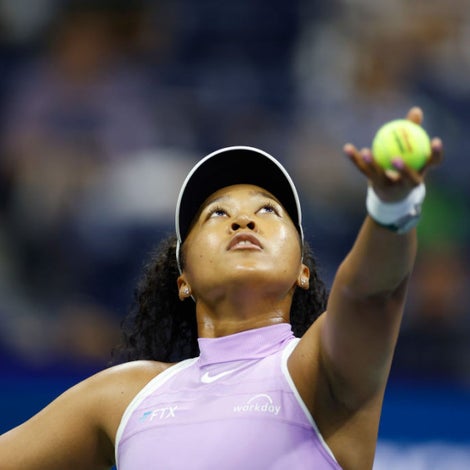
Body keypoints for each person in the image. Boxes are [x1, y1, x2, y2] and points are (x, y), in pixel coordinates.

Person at [0, 106, 442, 469]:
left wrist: (393, 207)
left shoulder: (317, 369)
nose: (243, 220)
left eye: (268, 211)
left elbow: (371, 294)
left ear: (302, 272)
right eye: (216, 213)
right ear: (184, 280)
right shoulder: (124, 396)